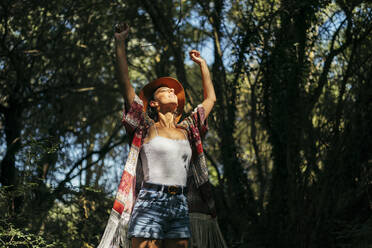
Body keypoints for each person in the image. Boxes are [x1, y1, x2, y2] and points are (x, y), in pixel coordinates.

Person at [98, 23, 216, 248]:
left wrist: (202, 64)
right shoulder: (145, 126)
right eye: (165, 90)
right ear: (153, 103)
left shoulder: (188, 128)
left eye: (174, 91)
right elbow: (126, 86)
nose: (172, 91)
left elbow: (210, 100)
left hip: (180, 203)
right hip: (151, 200)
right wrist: (120, 42)